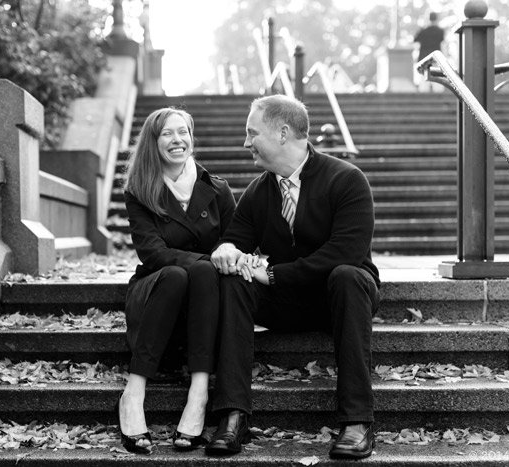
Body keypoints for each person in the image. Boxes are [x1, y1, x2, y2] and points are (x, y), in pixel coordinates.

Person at [205, 95, 381, 459]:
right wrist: (226, 250)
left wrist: (272, 273)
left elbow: (344, 253)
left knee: (348, 275)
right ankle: (232, 416)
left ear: (282, 133)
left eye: (252, 133)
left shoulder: (347, 179)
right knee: (233, 279)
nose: (245, 142)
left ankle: (357, 422)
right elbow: (237, 239)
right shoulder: (259, 191)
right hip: (285, 304)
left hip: (339, 301)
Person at [118, 107, 236, 454]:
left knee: (201, 271)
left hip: (204, 302)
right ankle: (133, 392)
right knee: (177, 272)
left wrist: (220, 258)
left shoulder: (217, 190)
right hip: (157, 292)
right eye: (167, 133)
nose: (177, 140)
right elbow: (152, 253)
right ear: (153, 142)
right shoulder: (139, 191)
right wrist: (209, 259)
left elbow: (233, 244)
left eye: (183, 132)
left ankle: (198, 395)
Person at [413, 11, 445, 91]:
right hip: (436, 58)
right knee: (437, 80)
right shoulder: (440, 31)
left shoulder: (423, 31)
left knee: (424, 81)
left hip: (424, 58)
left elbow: (415, 40)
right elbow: (442, 42)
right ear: (436, 19)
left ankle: (423, 96)